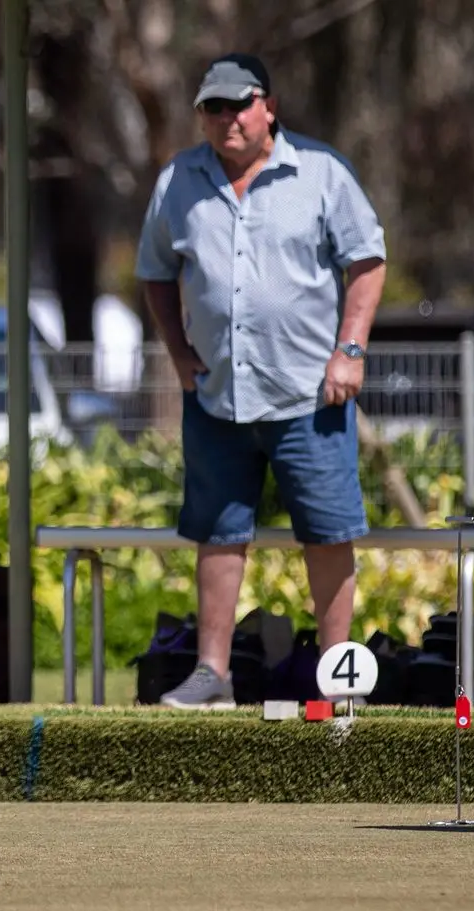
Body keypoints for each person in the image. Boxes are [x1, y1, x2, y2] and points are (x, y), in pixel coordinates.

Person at [134, 53, 387, 709]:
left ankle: (336, 674)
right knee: (217, 534)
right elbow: (155, 272)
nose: (226, 118)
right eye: (212, 107)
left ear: (267, 107)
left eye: (238, 104)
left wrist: (349, 351)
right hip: (216, 393)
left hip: (310, 395)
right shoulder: (177, 180)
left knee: (327, 531)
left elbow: (366, 261)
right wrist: (178, 353)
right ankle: (212, 673)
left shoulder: (322, 172)